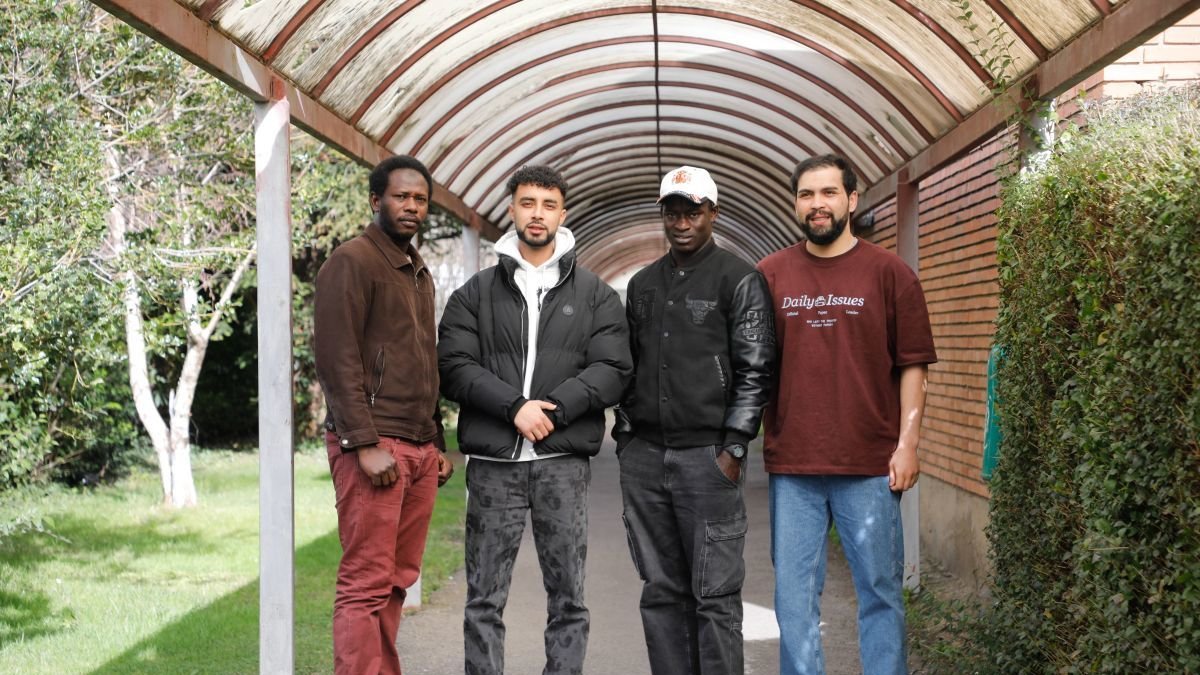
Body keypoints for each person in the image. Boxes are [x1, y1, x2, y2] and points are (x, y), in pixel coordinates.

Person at [438, 164, 632, 675]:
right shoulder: (474, 293)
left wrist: (555, 408)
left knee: (568, 595)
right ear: (512, 209)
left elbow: (612, 368)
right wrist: (514, 408)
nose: (538, 214)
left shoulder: (596, 294)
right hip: (493, 465)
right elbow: (454, 366)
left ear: (562, 214)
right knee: (484, 597)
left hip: (563, 465)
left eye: (548, 205)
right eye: (528, 203)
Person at [756, 154, 937, 675]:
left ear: (852, 200)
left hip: (870, 466)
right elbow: (752, 365)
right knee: (793, 601)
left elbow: (914, 365)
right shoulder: (770, 274)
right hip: (794, 466)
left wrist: (908, 444)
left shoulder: (891, 274)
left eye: (829, 193)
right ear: (796, 203)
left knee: (880, 592)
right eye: (807, 194)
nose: (818, 204)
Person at [613, 165, 776, 675]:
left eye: (693, 210)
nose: (682, 221)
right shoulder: (641, 284)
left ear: (713, 213)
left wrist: (735, 446)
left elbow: (757, 367)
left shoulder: (739, 279)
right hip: (646, 457)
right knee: (661, 592)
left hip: (709, 459)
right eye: (673, 211)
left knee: (715, 595)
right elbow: (625, 363)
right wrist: (625, 435)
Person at [313, 154, 455, 675]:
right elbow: (336, 356)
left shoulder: (417, 270)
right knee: (365, 582)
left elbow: (424, 359)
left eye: (420, 199)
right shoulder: (352, 261)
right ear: (376, 201)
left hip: (416, 448)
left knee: (397, 579)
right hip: (374, 446)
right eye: (401, 197)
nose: (412, 206)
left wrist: (436, 442)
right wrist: (362, 442)